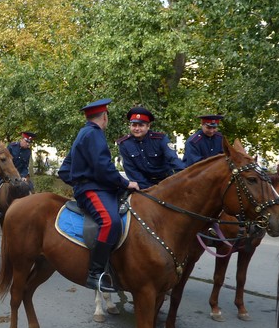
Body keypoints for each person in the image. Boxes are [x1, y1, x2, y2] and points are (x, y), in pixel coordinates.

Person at [58, 99, 137, 293]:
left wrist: (78, 181)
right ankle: (95, 274)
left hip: (97, 188)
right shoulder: (94, 134)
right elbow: (104, 168)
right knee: (111, 222)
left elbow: (64, 170)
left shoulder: (84, 133)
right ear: (104, 116)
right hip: (94, 191)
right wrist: (126, 183)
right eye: (107, 116)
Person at [117, 107, 185, 190]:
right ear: (130, 126)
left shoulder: (160, 139)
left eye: (141, 125)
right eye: (134, 125)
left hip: (166, 182)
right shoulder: (124, 144)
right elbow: (131, 170)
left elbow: (173, 159)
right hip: (143, 186)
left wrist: (185, 177)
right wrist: (150, 189)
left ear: (148, 126)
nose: (137, 129)